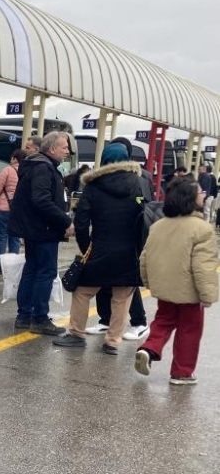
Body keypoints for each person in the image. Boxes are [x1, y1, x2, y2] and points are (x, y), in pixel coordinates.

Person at [52, 143, 145, 354]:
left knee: (82, 291)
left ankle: (76, 334)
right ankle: (112, 341)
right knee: (122, 297)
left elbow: (82, 222)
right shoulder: (138, 184)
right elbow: (144, 214)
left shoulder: (93, 186)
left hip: (100, 248)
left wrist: (86, 248)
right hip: (128, 251)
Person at [135, 176, 217, 385]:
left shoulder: (159, 225)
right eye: (201, 193)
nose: (204, 195)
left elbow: (145, 257)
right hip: (189, 292)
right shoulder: (202, 229)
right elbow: (203, 266)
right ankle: (182, 373)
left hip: (164, 287)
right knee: (189, 330)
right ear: (191, 198)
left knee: (163, 321)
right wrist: (207, 295)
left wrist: (148, 282)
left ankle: (149, 348)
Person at [86, 137, 151, 341]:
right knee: (105, 279)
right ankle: (106, 319)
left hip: (131, 238)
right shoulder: (101, 179)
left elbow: (146, 207)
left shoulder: (141, 177)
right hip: (106, 238)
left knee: (127, 283)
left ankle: (139, 322)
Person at [9, 132, 74, 335]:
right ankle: (39, 318)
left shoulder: (35, 166)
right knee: (45, 272)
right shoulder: (44, 168)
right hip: (43, 229)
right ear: (52, 148)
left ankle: (24, 316)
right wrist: (65, 220)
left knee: (31, 270)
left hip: (33, 228)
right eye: (64, 147)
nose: (67, 152)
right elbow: (41, 200)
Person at [0, 149, 26, 274]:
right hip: (18, 210)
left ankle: (0, 266)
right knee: (15, 238)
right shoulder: (26, 172)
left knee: (1, 237)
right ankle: (13, 266)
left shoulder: (7, 170)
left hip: (4, 208)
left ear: (14, 158)